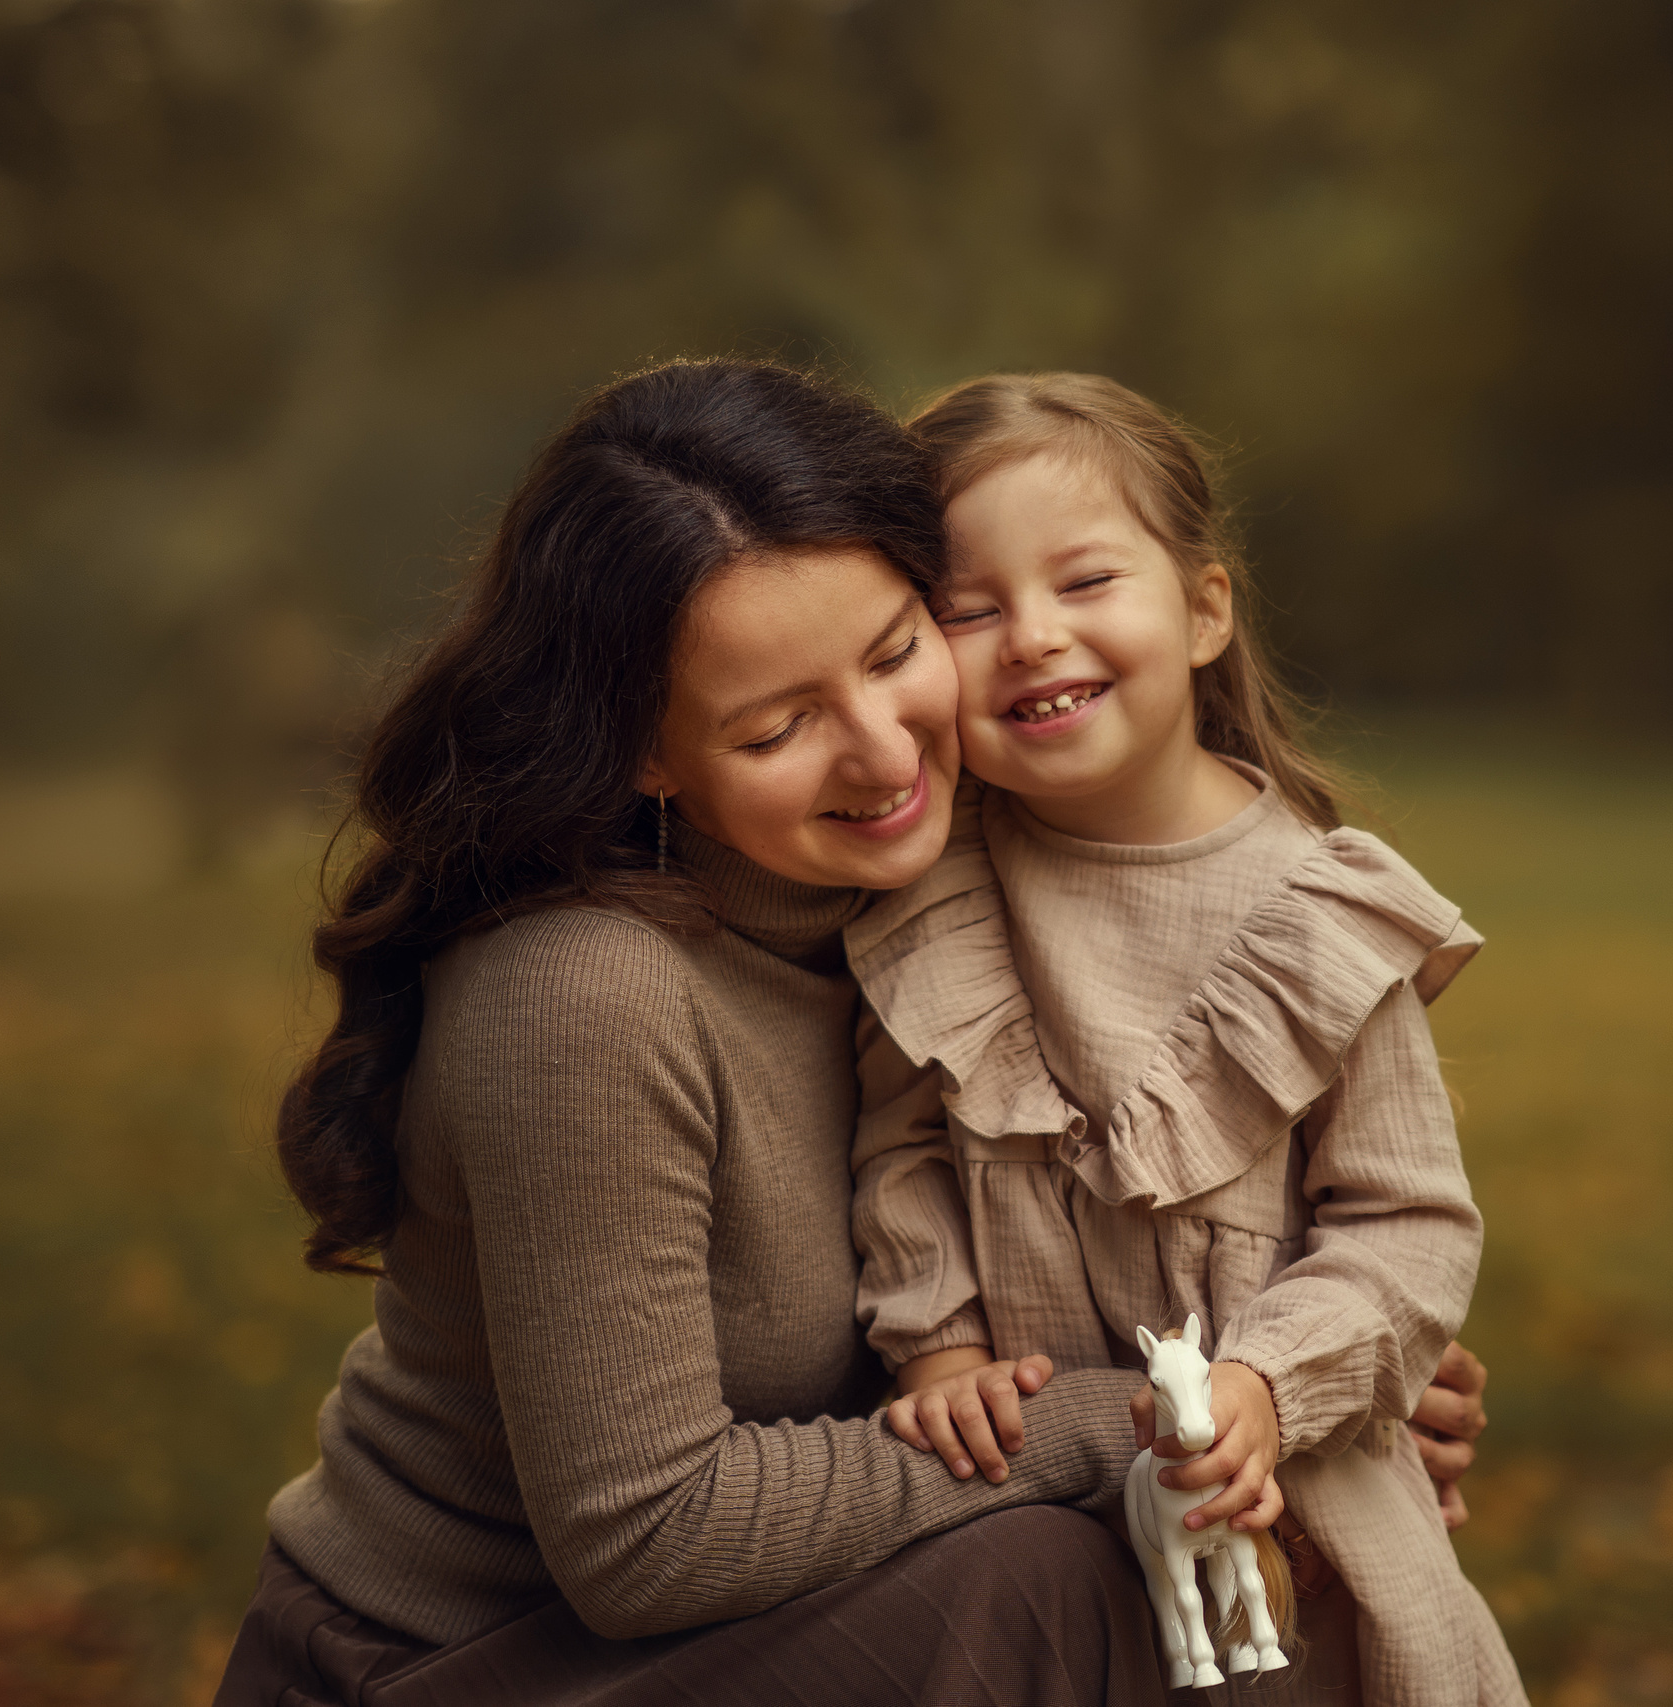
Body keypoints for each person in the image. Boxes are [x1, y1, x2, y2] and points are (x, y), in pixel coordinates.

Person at [214, 357, 1490, 1707]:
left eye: (895, 653)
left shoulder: (968, 919)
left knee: (1183, 1589)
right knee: (1059, 1578)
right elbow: (646, 1538)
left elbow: (1219, 1230)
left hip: (782, 1623)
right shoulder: (587, 994)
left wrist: (1306, 1396)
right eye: (776, 727)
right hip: (465, 1665)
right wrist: (1127, 1419)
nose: (885, 755)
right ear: (648, 753)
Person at [844, 373, 1526, 1704]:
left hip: (1280, 1504)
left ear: (1206, 608)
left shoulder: (1323, 912)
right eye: (969, 610)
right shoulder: (937, 893)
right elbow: (903, 1142)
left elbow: (1407, 1228)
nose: (1032, 636)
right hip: (1020, 1499)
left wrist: (1271, 1380)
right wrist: (941, 1349)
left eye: (1086, 582)